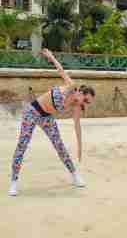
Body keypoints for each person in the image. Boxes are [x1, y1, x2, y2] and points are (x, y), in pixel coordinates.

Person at [8, 49, 95, 196]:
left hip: (47, 117)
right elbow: (60, 70)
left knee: (59, 145)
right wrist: (51, 57)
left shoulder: (76, 106)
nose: (85, 103)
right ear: (80, 93)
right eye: (86, 100)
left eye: (88, 103)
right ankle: (14, 182)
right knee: (22, 145)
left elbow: (77, 126)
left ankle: (75, 175)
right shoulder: (71, 86)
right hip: (32, 112)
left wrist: (80, 147)